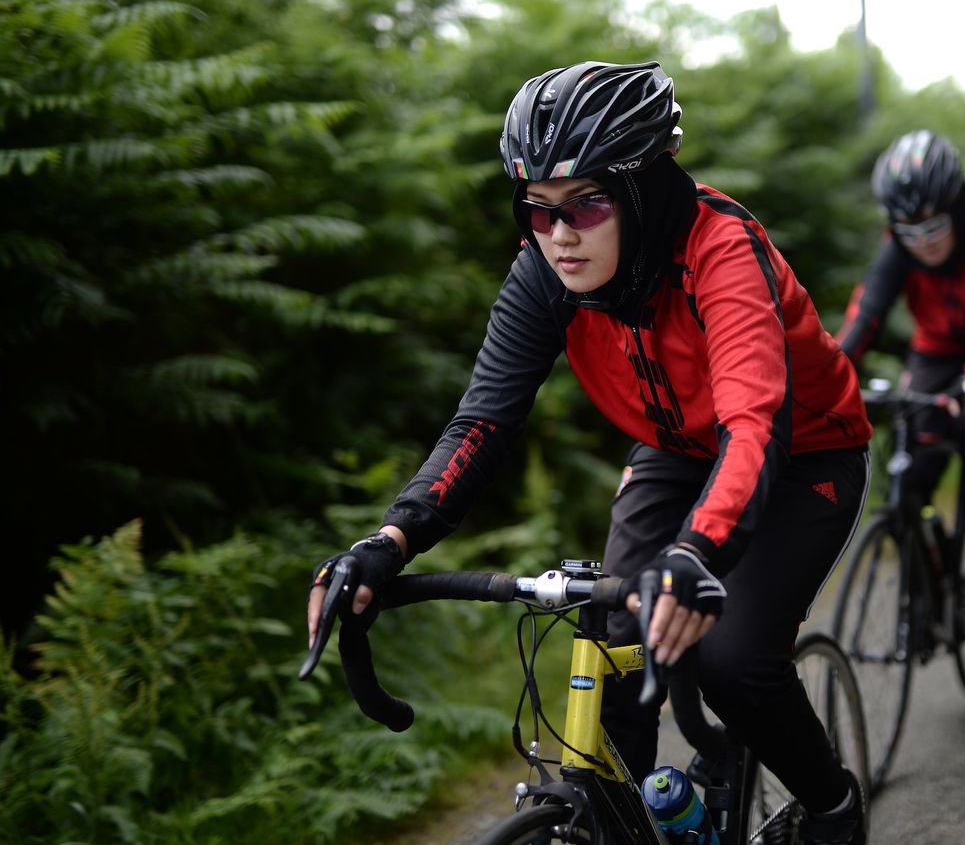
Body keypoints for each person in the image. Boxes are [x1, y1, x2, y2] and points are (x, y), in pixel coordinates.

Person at [305, 61, 870, 844]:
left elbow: (753, 421)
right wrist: (390, 538)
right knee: (606, 646)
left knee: (735, 661)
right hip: (674, 452)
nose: (561, 236)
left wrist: (695, 552)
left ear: (641, 189)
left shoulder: (722, 248)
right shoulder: (545, 272)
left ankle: (834, 805)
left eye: (587, 204)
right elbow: (483, 423)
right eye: (537, 211)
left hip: (803, 451)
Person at [836, 129, 965, 625]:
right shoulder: (900, 244)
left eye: (934, 229)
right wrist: (829, 376)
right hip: (939, 350)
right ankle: (928, 576)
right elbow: (865, 316)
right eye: (909, 234)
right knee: (913, 460)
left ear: (957, 206)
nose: (923, 245)